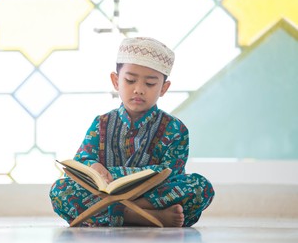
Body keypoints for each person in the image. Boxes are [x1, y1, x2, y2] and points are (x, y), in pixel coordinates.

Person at [49, 37, 214, 227]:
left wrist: (113, 174)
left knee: (200, 187)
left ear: (164, 88)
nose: (138, 90)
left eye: (150, 84)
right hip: (104, 195)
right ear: (115, 80)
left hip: (153, 196)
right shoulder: (101, 123)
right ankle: (140, 216)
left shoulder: (175, 129)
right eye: (130, 80)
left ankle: (123, 212)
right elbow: (81, 162)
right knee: (60, 190)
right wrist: (94, 167)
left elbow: (171, 172)